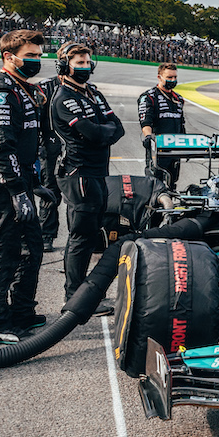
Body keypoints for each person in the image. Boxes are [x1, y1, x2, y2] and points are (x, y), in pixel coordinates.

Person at [0, 29, 47, 342]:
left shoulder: (23, 89)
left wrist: (35, 183)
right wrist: (17, 191)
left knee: (32, 245)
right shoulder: (1, 90)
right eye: (30, 56)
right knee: (2, 247)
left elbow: (30, 140)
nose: (36, 61)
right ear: (8, 56)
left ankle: (21, 311)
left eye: (39, 56)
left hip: (18, 175)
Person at [51, 43, 125, 313]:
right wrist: (102, 131)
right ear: (64, 66)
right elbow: (95, 134)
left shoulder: (93, 93)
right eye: (79, 62)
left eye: (87, 62)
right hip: (78, 173)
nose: (84, 67)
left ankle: (82, 294)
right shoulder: (64, 98)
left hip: (97, 172)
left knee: (93, 234)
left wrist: (102, 130)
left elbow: (116, 128)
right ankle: (74, 297)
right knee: (81, 236)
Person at [34, 44, 70, 253]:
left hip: (77, 152)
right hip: (50, 149)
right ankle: (46, 235)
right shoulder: (44, 87)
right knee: (50, 193)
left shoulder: (90, 90)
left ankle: (83, 234)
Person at [138, 62, 186, 189]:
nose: (173, 80)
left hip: (175, 148)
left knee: (172, 182)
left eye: (175, 77)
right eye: (169, 77)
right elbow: (145, 121)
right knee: (154, 183)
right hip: (158, 148)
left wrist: (186, 145)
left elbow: (181, 124)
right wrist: (148, 137)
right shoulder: (148, 97)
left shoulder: (178, 99)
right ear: (159, 77)